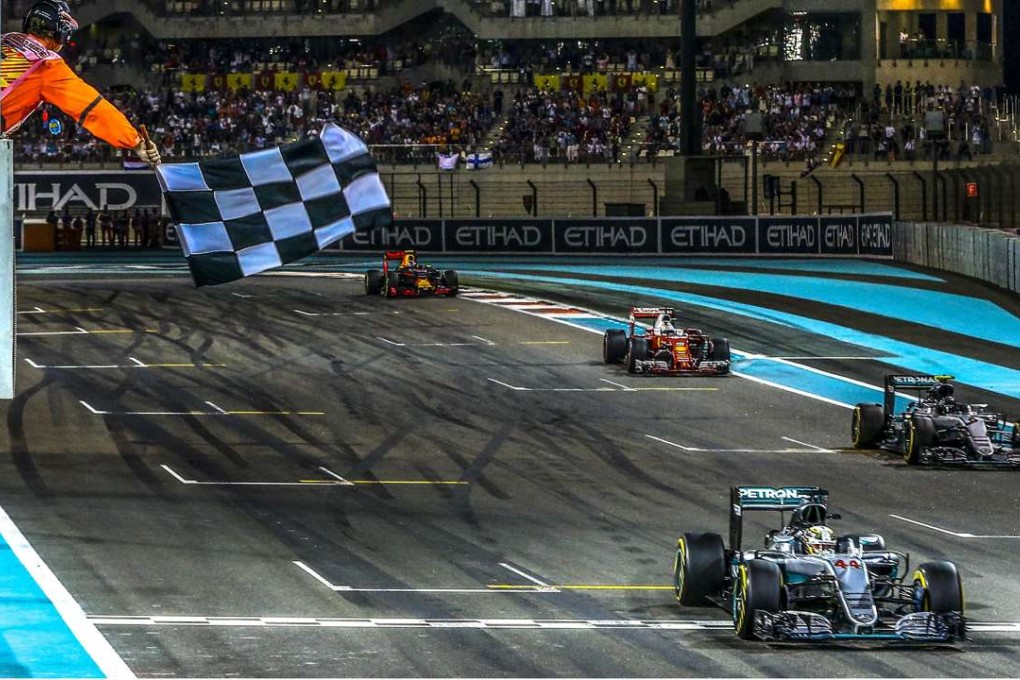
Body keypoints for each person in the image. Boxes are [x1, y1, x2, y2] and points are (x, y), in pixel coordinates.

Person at [1, 0, 159, 166]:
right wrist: (135, 142)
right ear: (61, 34)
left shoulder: (5, 39)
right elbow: (93, 108)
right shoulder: (46, 64)